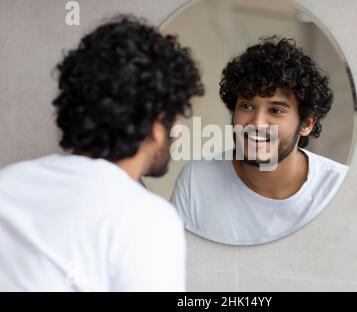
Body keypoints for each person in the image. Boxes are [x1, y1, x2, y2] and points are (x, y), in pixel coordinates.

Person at [0, 15, 204, 291]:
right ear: (157, 125)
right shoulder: (146, 219)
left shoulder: (7, 184)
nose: (177, 130)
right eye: (176, 116)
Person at [171, 37, 348, 245]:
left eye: (275, 110)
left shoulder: (338, 187)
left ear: (306, 124)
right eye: (247, 106)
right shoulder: (197, 180)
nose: (256, 123)